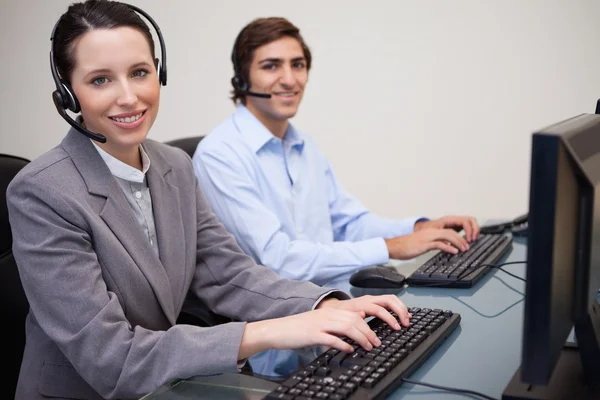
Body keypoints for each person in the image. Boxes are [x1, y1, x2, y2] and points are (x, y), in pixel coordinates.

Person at [6, 2, 411, 399]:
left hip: (168, 382)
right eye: (100, 80)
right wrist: (271, 331)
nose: (128, 97)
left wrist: (323, 305)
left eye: (140, 72)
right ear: (68, 93)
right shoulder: (43, 192)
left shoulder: (175, 167)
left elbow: (229, 273)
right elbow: (113, 359)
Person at [192, 17, 481, 286]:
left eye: (298, 64)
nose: (290, 80)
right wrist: (391, 248)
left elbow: (349, 223)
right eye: (271, 66)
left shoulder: (303, 145)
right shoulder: (220, 155)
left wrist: (418, 228)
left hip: (336, 302)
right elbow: (279, 261)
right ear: (242, 80)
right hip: (281, 324)